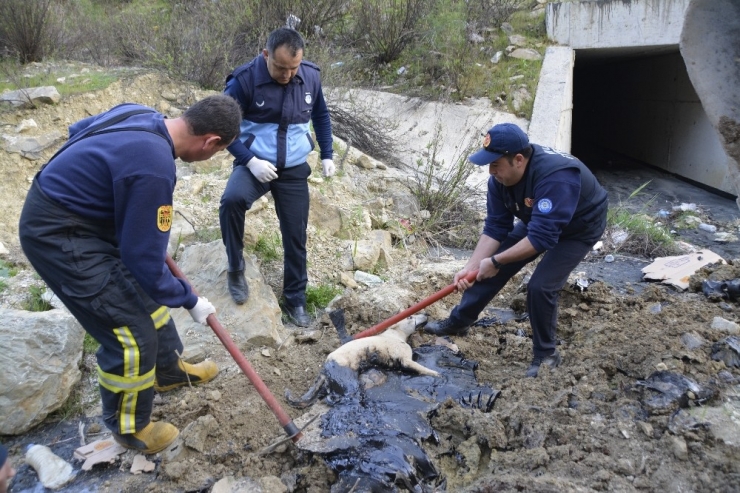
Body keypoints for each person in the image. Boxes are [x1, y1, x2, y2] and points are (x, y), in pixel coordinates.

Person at [19, 95, 242, 454]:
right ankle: (129, 427)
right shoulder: (154, 168)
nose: (209, 158)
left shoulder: (139, 112)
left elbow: (79, 132)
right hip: (57, 234)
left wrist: (104, 196)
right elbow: (143, 261)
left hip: (84, 217)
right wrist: (189, 299)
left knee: (148, 302)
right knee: (131, 336)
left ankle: (168, 371)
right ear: (211, 141)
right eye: (217, 152)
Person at [424, 123, 608, 378]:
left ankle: (546, 355)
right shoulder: (499, 180)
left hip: (579, 228)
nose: (491, 171)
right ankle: (459, 322)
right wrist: (472, 266)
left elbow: (542, 239)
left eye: (495, 164)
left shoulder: (556, 177)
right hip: (540, 222)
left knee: (541, 286)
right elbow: (495, 228)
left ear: (518, 160)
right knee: (484, 268)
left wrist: (496, 261)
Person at [219, 27, 335, 327]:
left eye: (293, 68)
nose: (287, 75)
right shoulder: (243, 81)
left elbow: (321, 115)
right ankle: (235, 268)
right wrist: (249, 160)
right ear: (266, 54)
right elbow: (222, 128)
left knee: (295, 236)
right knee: (231, 200)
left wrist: (327, 154)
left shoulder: (310, 76)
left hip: (294, 167)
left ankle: (295, 299)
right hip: (255, 163)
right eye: (281, 67)